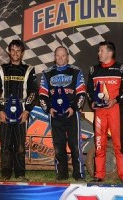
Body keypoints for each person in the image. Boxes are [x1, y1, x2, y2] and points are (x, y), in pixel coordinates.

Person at [87, 41, 123, 184]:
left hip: (115, 112)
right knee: (99, 144)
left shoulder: (121, 69)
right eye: (98, 51)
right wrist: (92, 102)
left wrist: (116, 100)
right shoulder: (93, 70)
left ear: (109, 52)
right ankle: (99, 175)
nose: (98, 53)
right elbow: (89, 91)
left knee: (119, 145)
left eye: (101, 50)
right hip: (100, 113)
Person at [0, 39, 37, 181]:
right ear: (9, 51)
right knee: (5, 145)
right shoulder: (1, 69)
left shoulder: (29, 69)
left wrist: (27, 111)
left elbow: (33, 92)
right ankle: (5, 174)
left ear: (22, 53)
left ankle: (20, 174)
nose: (15, 53)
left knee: (20, 146)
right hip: (5, 112)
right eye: (13, 50)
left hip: (21, 113)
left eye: (18, 51)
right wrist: (0, 110)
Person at [39, 46, 86, 181]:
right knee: (58, 145)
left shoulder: (76, 71)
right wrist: (48, 109)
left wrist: (75, 108)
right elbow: (42, 94)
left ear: (67, 56)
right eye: (58, 56)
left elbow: (82, 92)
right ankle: (62, 174)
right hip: (55, 115)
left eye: (63, 55)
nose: (60, 58)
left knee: (75, 144)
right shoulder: (47, 73)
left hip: (72, 114)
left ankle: (79, 174)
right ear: (54, 56)